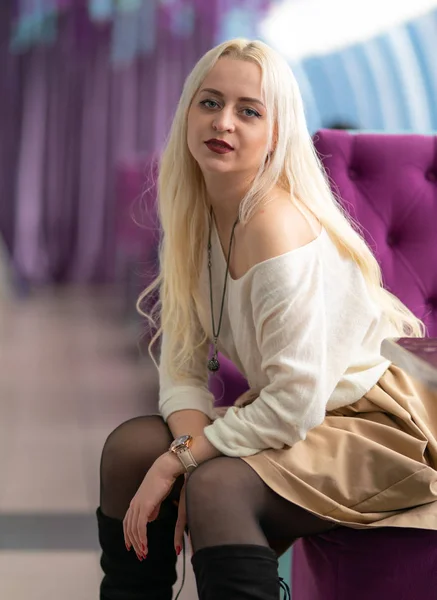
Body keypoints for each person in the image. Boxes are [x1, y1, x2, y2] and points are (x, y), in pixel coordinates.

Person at [97, 38, 437, 600]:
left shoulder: (272, 225)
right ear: (187, 112)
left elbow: (295, 402)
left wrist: (177, 464)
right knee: (129, 451)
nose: (223, 122)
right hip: (306, 414)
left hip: (377, 424)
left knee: (218, 486)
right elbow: (182, 367)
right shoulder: (197, 216)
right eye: (209, 102)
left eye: (248, 110)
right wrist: (177, 457)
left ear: (275, 133)